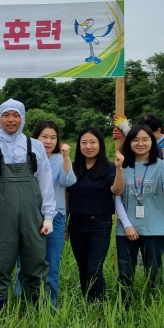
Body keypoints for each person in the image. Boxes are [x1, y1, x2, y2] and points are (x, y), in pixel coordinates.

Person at [0, 99, 56, 313]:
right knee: (0, 262)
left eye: (16, 115)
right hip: (2, 215)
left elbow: (45, 182)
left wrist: (48, 215)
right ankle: (0, 313)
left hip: (33, 215)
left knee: (36, 261)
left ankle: (41, 312)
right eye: (6, 115)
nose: (11, 120)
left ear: (22, 118)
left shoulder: (35, 145)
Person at [14, 120, 75, 307]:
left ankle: (50, 306)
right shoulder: (24, 158)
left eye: (53, 137)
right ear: (35, 138)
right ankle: (21, 303)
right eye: (44, 137)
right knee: (24, 264)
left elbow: (69, 181)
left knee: (51, 265)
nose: (49, 141)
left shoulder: (59, 159)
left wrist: (66, 158)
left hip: (55, 217)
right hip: (28, 218)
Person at [114, 125, 164, 307]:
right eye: (135, 140)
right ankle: (123, 308)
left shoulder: (160, 164)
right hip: (127, 228)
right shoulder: (122, 165)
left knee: (154, 271)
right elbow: (117, 197)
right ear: (129, 142)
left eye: (145, 140)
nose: (140, 144)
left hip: (155, 227)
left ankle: (156, 308)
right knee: (125, 271)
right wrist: (127, 225)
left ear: (152, 142)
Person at [65, 127, 125, 302]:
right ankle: (88, 303)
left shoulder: (109, 168)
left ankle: (100, 306)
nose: (88, 146)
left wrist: (119, 168)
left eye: (92, 142)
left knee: (94, 268)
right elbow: (68, 195)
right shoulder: (75, 168)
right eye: (84, 142)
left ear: (100, 144)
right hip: (76, 223)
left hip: (100, 224)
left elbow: (117, 190)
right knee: (83, 268)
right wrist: (65, 223)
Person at [114, 113, 164, 208]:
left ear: (159, 129)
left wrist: (127, 131)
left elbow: (150, 153)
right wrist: (124, 136)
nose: (143, 138)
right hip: (150, 198)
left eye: (148, 133)